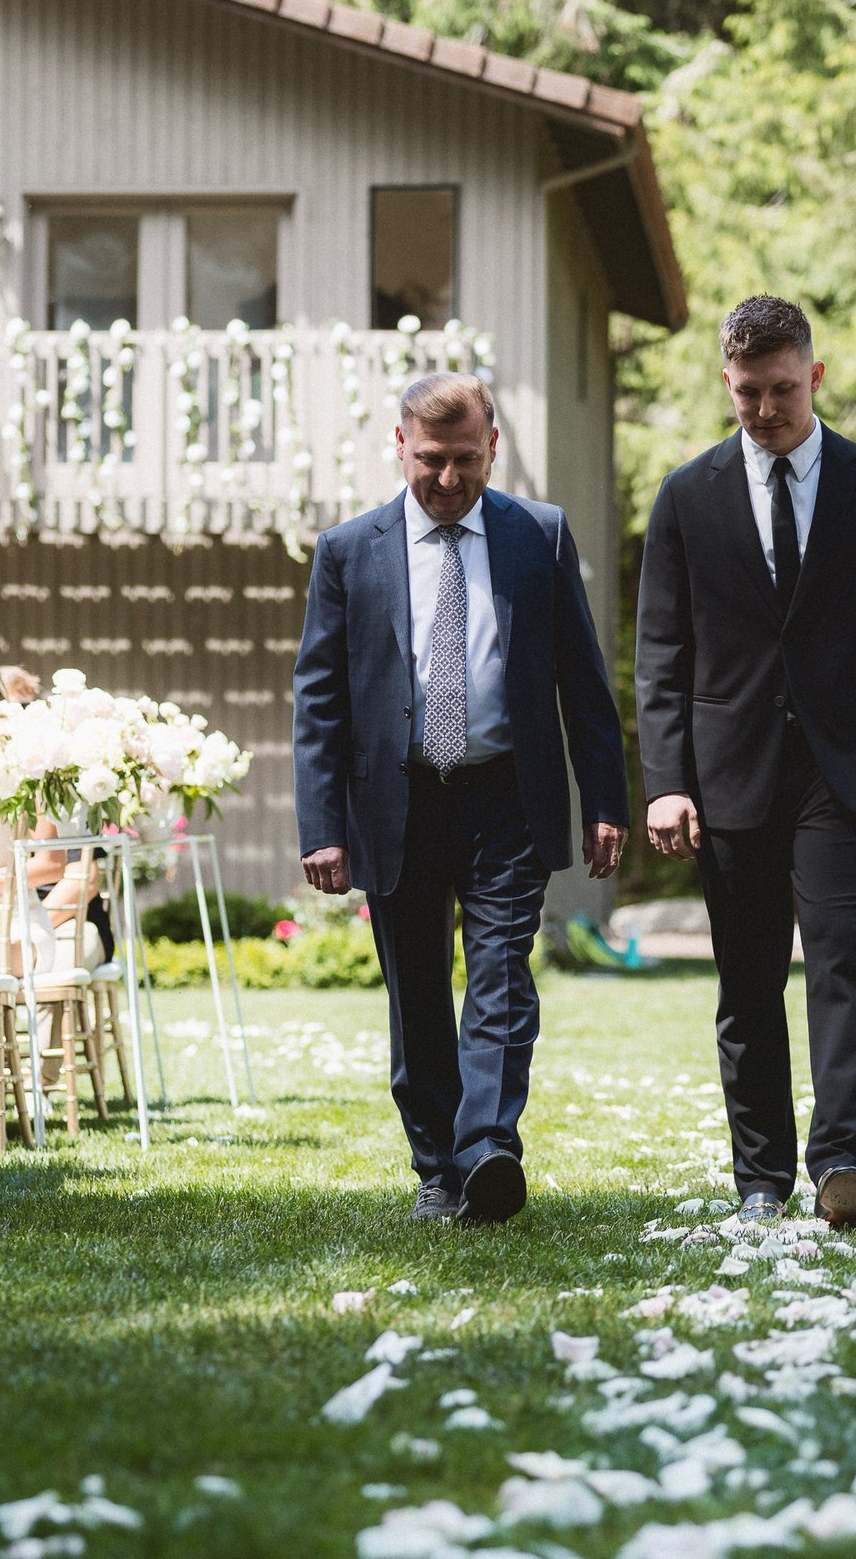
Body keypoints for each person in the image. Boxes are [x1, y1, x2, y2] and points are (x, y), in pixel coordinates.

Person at [634, 296, 856, 1229]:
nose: (765, 410)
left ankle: (843, 1162)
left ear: (814, 375)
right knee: (748, 978)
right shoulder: (686, 496)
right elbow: (661, 652)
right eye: (746, 394)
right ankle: (761, 1177)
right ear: (725, 385)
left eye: (780, 389)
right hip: (730, 772)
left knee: (845, 964)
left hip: (848, 770)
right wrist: (666, 780)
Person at [293, 370, 627, 1225]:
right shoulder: (346, 551)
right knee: (416, 992)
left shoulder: (538, 536)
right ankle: (437, 1167)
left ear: (495, 448)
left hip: (506, 797)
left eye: (467, 460)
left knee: (501, 977)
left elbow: (584, 683)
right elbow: (320, 697)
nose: (449, 479)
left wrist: (606, 800)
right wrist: (322, 824)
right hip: (395, 801)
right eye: (432, 459)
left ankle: (488, 1149)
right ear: (399, 446)